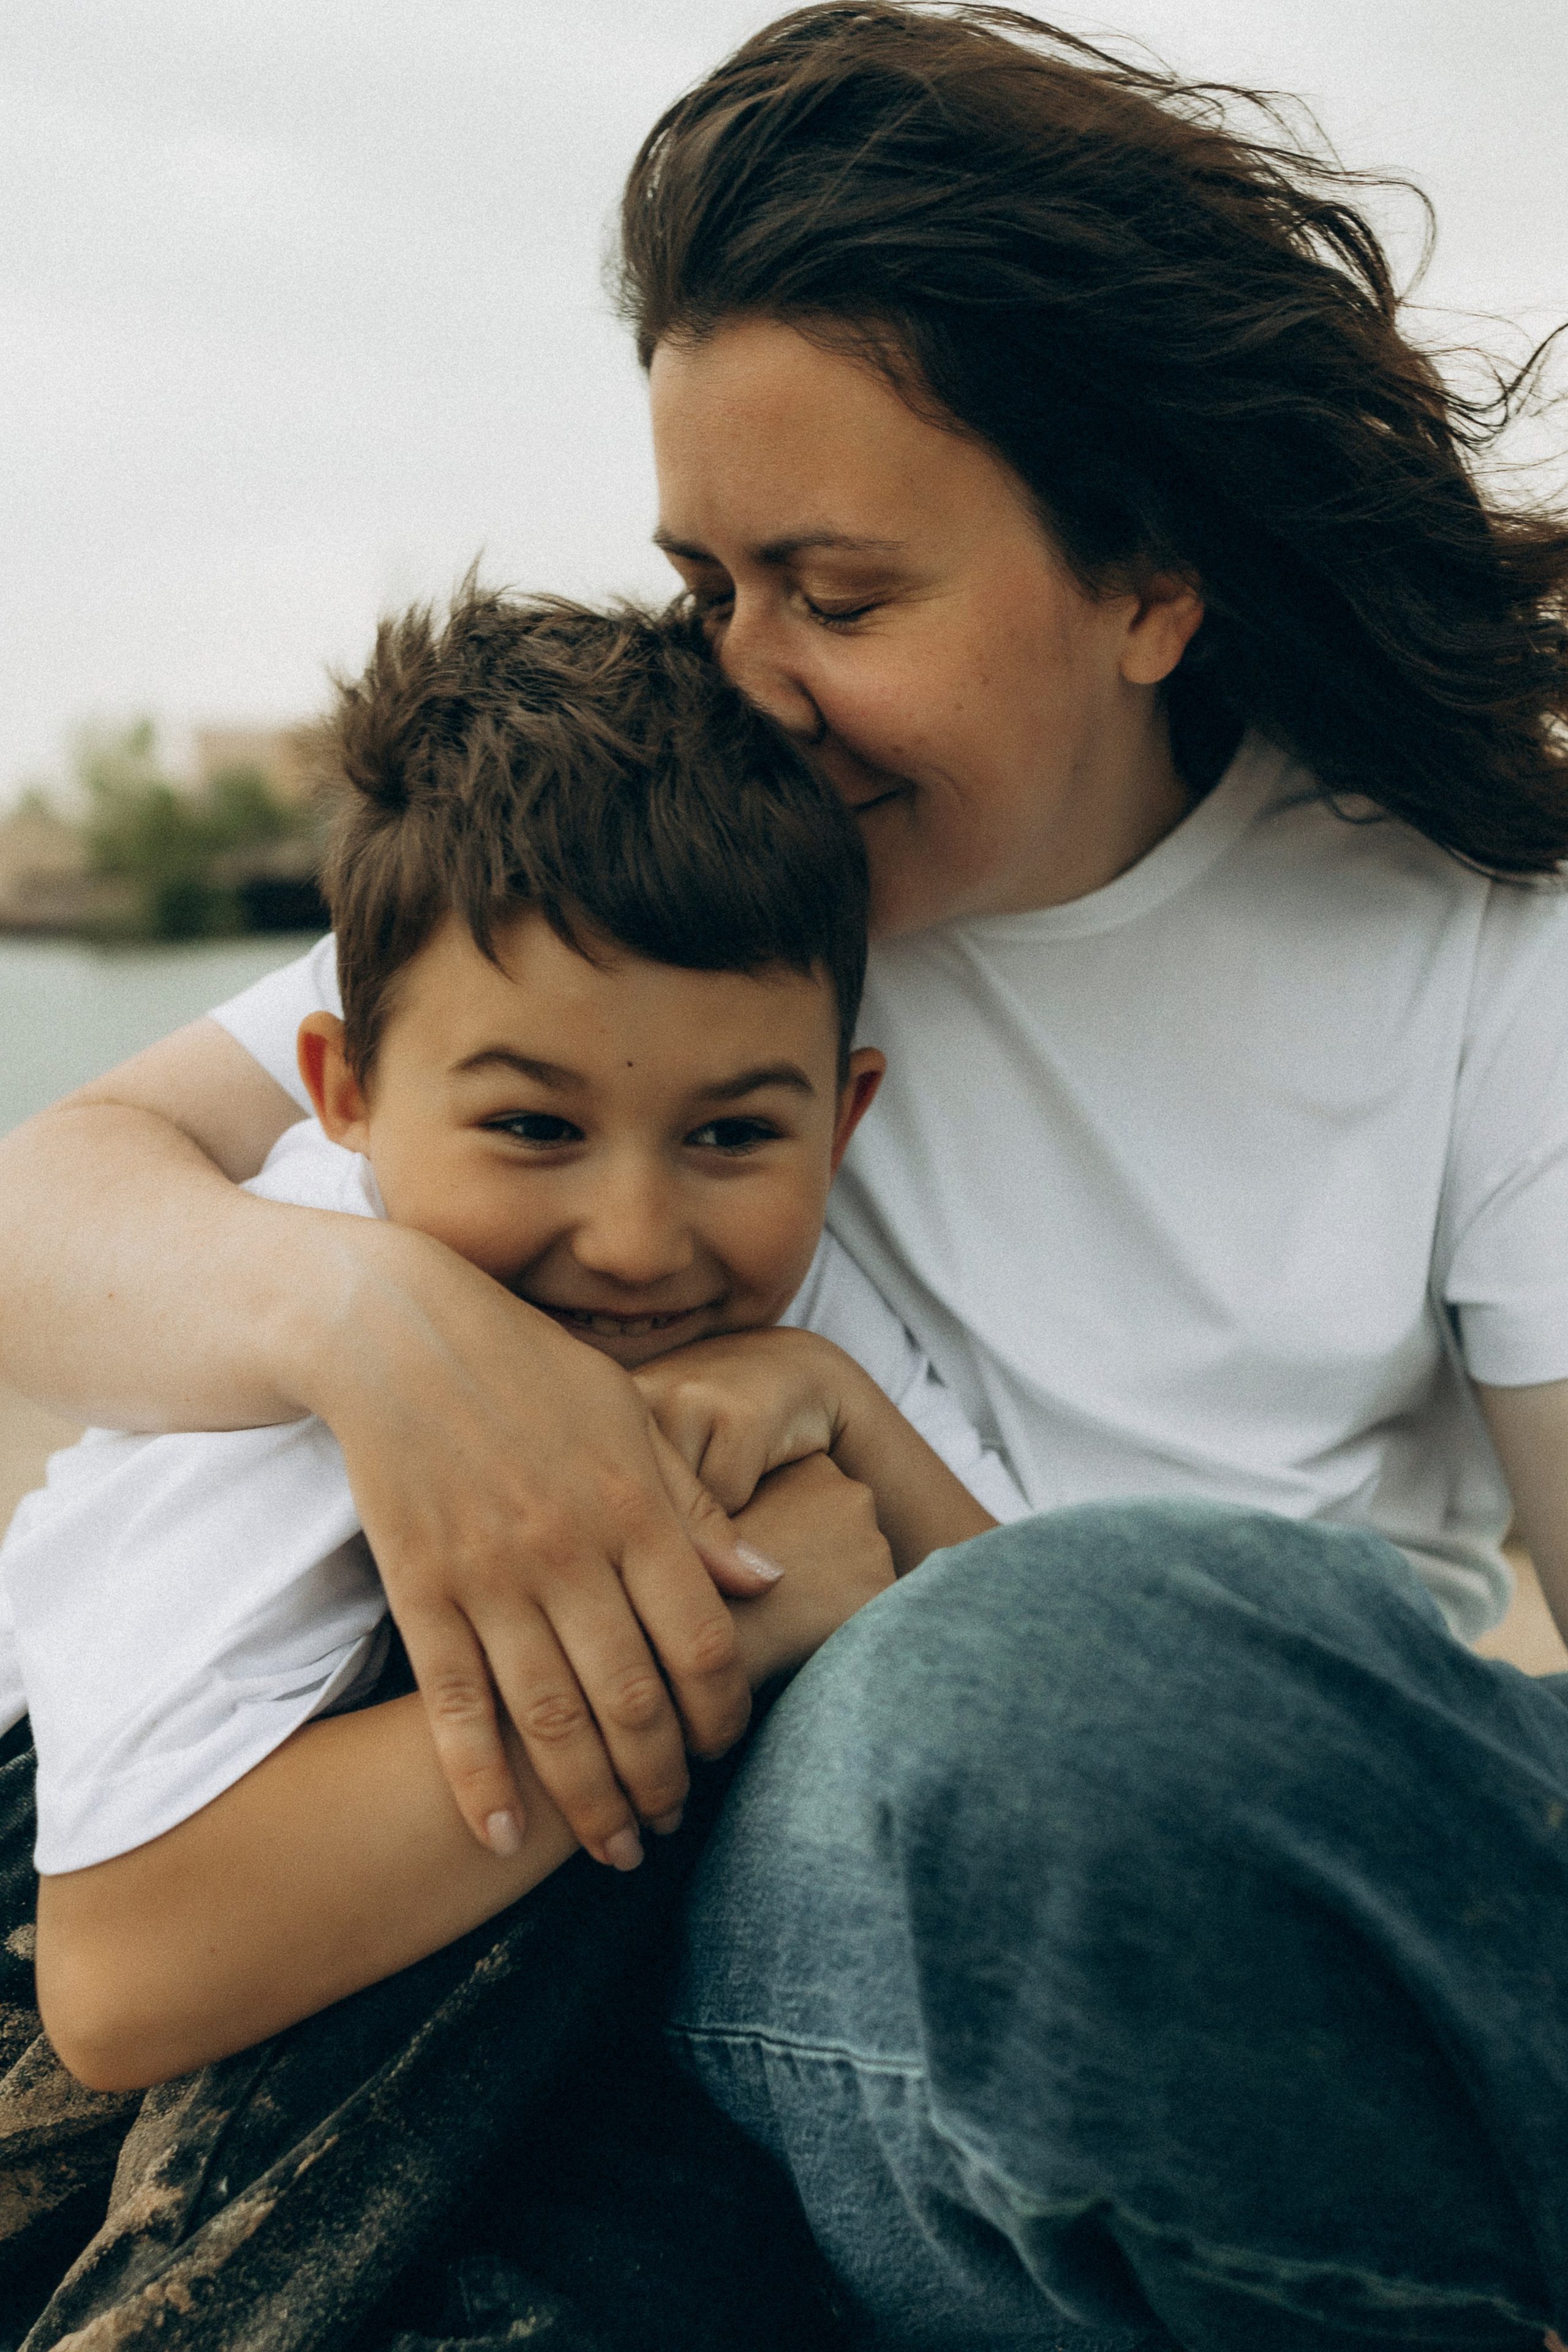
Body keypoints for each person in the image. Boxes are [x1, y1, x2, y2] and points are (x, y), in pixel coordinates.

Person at [2, 4, 1567, 2346]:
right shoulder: (692, 899)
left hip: (1236, 1910)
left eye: (838, 598)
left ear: (1147, 581)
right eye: (706, 579)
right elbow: (60, 1200)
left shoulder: (1469, 946)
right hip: (790, 1937)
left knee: (1096, 1671)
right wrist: (384, 1327)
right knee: (984, 1700)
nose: (744, 674)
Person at [3, 587, 1022, 2082]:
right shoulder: (296, 1360)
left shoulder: (789, 1322)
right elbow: (119, 1976)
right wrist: (725, 1632)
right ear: (341, 1093)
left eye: (731, 1133)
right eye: (533, 1125)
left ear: (844, 1117)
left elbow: (1028, 1667)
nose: (632, 1239)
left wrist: (843, 1413)